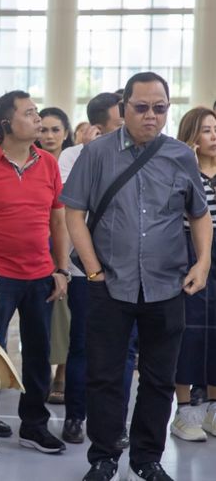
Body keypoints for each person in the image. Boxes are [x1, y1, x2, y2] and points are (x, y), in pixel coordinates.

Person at [63, 72, 212, 481]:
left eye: (159, 108)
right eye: (141, 107)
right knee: (106, 376)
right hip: (109, 284)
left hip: (167, 285)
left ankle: (147, 458)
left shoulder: (180, 155)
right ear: (123, 107)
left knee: (159, 378)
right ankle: (104, 457)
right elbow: (73, 211)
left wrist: (202, 263)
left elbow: (198, 213)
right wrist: (91, 269)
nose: (151, 116)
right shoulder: (97, 154)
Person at [0, 90, 69, 456]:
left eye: (37, 112)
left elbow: (57, 219)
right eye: (30, 113)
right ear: (8, 124)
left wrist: (61, 268)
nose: (38, 119)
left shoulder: (47, 163)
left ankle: (34, 425)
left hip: (40, 274)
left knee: (40, 354)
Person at [58, 91, 137, 449]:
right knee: (83, 346)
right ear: (98, 127)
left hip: (129, 271)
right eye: (120, 123)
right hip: (85, 270)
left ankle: (115, 424)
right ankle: (76, 416)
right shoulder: (74, 156)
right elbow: (68, 210)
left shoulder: (143, 154)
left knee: (125, 352)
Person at [169, 107, 216, 442]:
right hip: (188, 252)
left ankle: (213, 410)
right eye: (206, 130)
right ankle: (185, 412)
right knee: (189, 332)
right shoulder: (182, 170)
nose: (213, 136)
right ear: (192, 136)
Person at [38, 106, 75, 406]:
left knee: (65, 317)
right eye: (44, 129)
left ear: (65, 132)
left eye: (55, 130)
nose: (49, 136)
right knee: (41, 320)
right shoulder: (32, 162)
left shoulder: (74, 160)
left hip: (69, 249)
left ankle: (61, 375)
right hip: (37, 250)